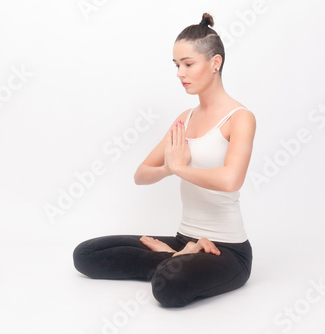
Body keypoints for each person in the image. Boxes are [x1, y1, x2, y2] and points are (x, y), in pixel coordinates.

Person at [73, 12, 256, 308]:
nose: (180, 73)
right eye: (176, 65)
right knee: (86, 254)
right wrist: (169, 169)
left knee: (167, 287)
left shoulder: (240, 118)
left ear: (215, 63)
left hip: (227, 251)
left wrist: (180, 168)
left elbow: (230, 179)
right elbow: (141, 174)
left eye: (188, 64)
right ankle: (177, 257)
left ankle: (173, 262)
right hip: (185, 239)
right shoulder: (185, 119)